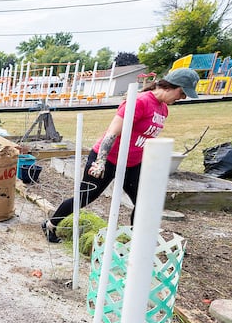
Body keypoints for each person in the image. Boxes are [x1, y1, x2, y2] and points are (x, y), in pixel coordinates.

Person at [42, 68, 200, 243]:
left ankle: (136, 244)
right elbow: (112, 132)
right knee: (85, 197)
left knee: (143, 202)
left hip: (132, 164)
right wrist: (100, 161)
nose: (182, 98)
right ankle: (50, 224)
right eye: (182, 93)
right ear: (171, 86)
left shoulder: (163, 109)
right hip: (108, 159)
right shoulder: (140, 102)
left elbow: (143, 138)